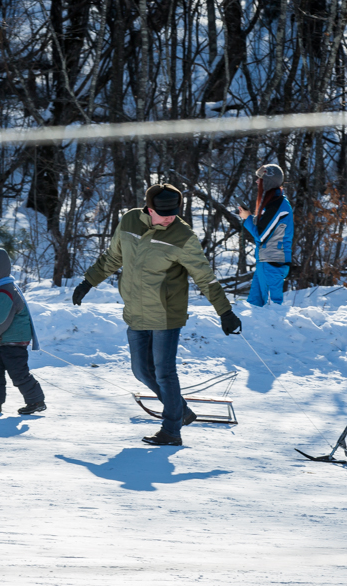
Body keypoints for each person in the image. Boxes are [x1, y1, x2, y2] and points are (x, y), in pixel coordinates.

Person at [72, 184, 242, 446]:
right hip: (136, 312)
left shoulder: (182, 236)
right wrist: (88, 282)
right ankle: (180, 410)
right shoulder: (129, 221)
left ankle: (172, 430)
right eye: (164, 213)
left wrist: (225, 311)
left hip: (166, 314)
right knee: (141, 370)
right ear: (149, 209)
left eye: (174, 212)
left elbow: (205, 277)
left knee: (164, 373)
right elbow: (113, 257)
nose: (170, 218)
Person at [0, 247, 46, 415]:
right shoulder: (0, 288)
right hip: (3, 342)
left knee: (18, 373)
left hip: (14, 342)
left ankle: (36, 401)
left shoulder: (5, 292)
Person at [238, 164, 294, 307]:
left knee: (272, 309)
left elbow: (261, 236)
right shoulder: (273, 203)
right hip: (265, 262)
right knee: (254, 306)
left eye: (260, 178)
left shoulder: (278, 205)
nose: (257, 182)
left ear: (268, 181)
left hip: (272, 264)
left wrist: (247, 218)